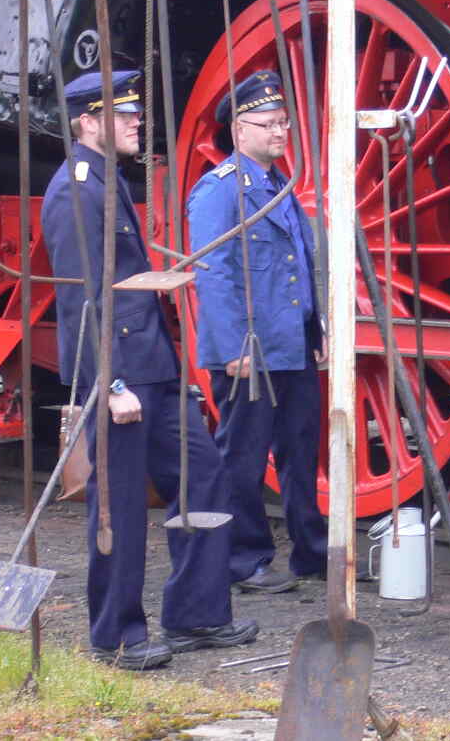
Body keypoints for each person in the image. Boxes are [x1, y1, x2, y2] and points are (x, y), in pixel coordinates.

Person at [41, 69, 259, 670]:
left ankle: (196, 613)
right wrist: (109, 384)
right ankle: (116, 636)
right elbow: (81, 299)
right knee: (119, 507)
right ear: (89, 121)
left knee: (204, 475)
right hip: (121, 375)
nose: (137, 120)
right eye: (123, 112)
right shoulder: (75, 190)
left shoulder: (107, 178)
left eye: (135, 111)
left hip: (153, 367)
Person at [186, 70, 328, 593]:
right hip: (250, 349)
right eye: (268, 124)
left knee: (301, 451)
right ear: (239, 129)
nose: (279, 132)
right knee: (242, 458)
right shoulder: (220, 190)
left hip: (291, 344)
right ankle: (243, 561)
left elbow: (301, 262)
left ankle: (311, 552)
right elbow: (214, 274)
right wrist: (232, 349)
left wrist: (317, 328)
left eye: (283, 122)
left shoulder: (276, 184)